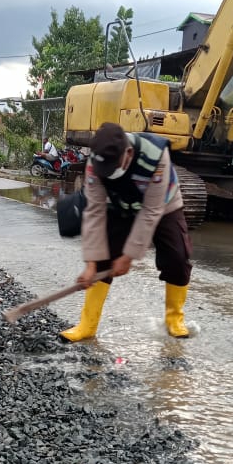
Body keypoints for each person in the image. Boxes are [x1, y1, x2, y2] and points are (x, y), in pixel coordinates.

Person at [60, 121, 193, 342]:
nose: (108, 172)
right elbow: (94, 211)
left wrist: (129, 255)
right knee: (102, 258)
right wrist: (91, 263)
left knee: (177, 257)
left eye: (112, 166)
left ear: (128, 153)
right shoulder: (96, 162)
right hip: (119, 205)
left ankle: (174, 319)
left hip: (162, 205)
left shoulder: (156, 155)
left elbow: (151, 211)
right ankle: (87, 325)